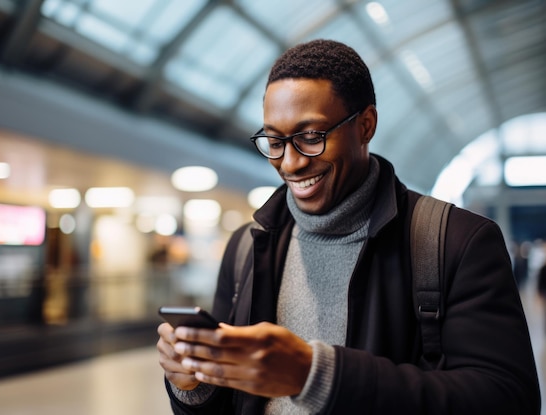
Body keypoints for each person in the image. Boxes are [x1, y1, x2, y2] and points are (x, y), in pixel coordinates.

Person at [156, 39, 540, 414]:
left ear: (366, 126)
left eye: (310, 137)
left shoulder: (456, 242)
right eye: (274, 140)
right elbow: (229, 401)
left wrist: (314, 375)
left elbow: (507, 398)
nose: (290, 163)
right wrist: (194, 385)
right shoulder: (248, 247)